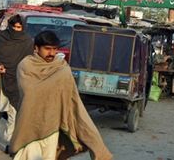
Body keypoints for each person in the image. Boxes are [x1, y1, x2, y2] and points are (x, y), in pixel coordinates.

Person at [10, 31, 113, 159]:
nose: (52, 53)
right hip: (30, 124)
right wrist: (55, 82)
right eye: (47, 49)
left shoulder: (62, 67)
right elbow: (30, 92)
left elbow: (71, 98)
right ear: (36, 48)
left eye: (54, 49)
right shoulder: (26, 66)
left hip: (52, 126)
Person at [0, 15, 33, 154]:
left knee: (14, 111)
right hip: (0, 79)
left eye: (19, 27)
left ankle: (10, 142)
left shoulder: (26, 42)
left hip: (17, 81)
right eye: (14, 27)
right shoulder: (1, 39)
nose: (16, 30)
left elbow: (28, 63)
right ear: (10, 26)